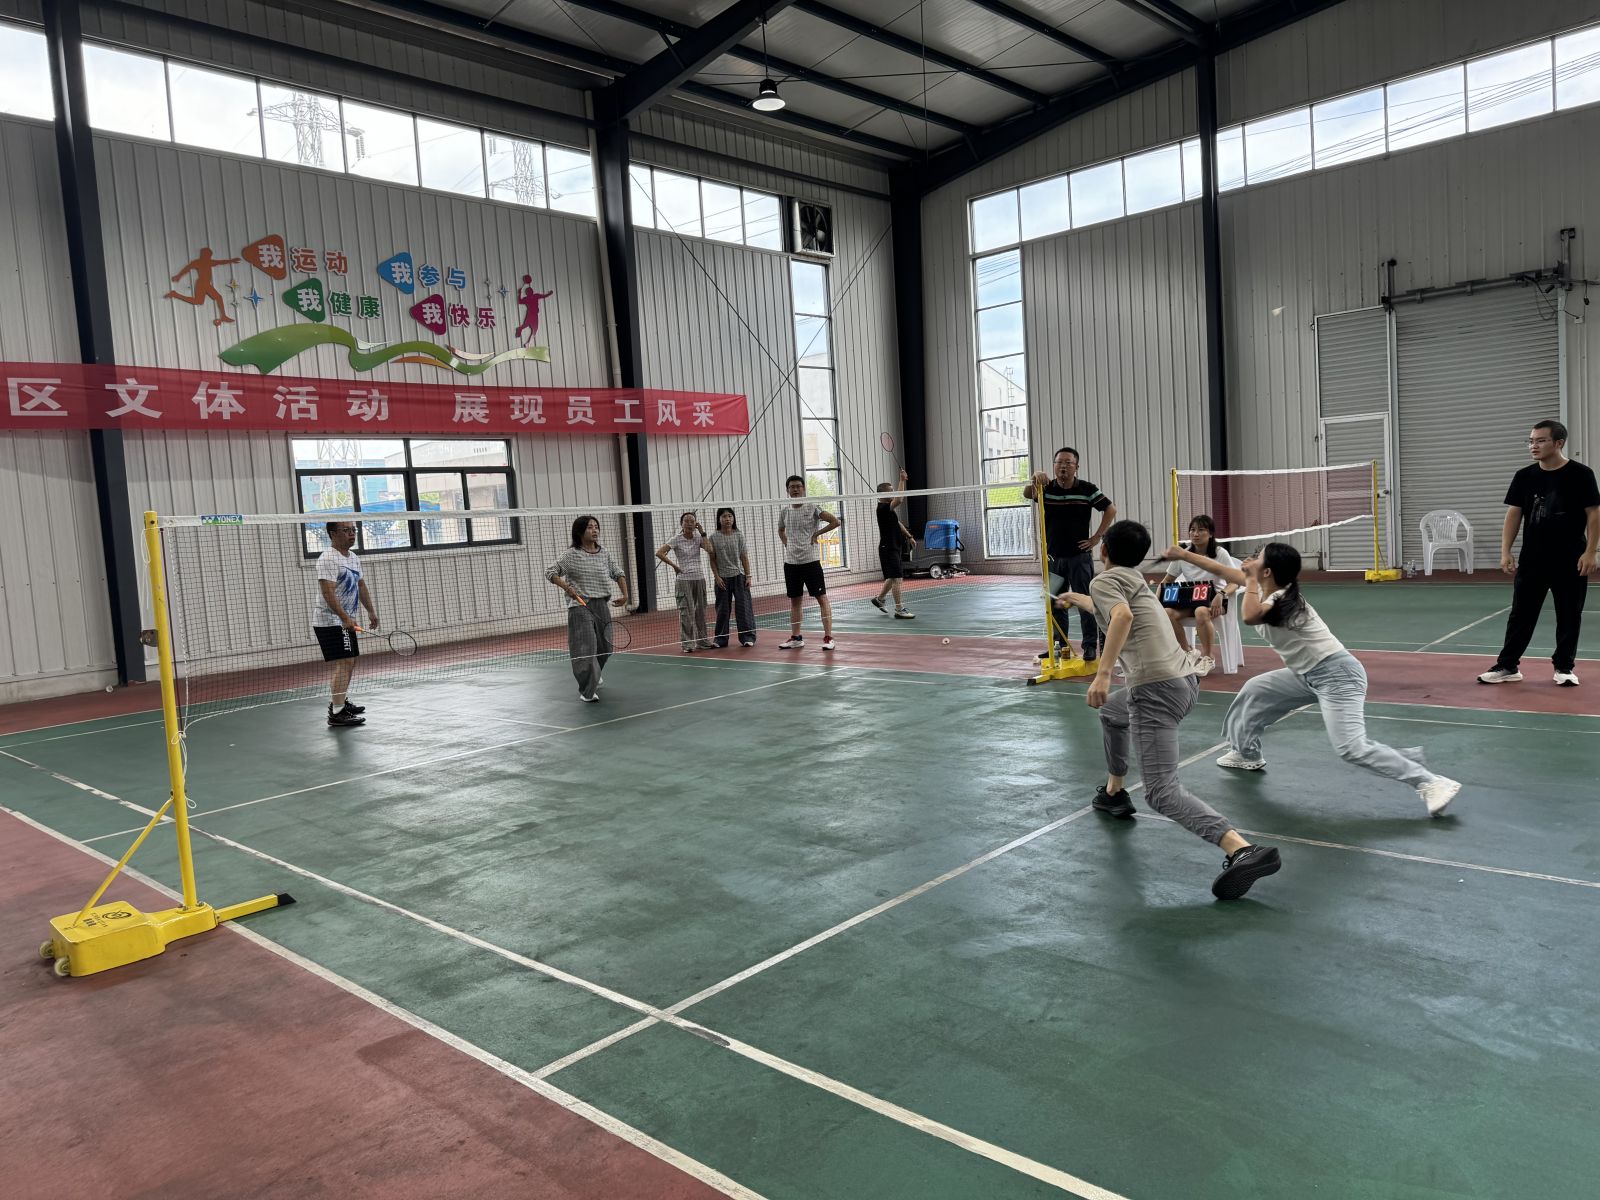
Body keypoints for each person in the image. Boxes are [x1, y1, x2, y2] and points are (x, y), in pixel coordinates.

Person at [1055, 520, 1280, 900]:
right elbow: (1112, 608)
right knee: (1112, 714)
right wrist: (1076, 598)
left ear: (1103, 550)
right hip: (1184, 681)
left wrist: (1103, 675)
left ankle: (1242, 849)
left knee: (1160, 792)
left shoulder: (1105, 581)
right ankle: (1114, 793)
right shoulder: (1133, 580)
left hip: (1155, 690)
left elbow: (1121, 617)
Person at [1162, 540, 1462, 816]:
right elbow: (1219, 569)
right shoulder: (1266, 587)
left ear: (1267, 572)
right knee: (1255, 689)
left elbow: (1250, 616)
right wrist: (1183, 555)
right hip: (1305, 673)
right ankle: (1246, 753)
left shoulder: (1282, 599)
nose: (1250, 559)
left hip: (1338, 675)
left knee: (1351, 747)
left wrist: (1250, 581)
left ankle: (1430, 782)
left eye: (1258, 557)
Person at [1477, 419, 1600, 687]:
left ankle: (1564, 668)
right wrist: (1505, 551)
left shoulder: (1581, 474)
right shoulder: (1524, 476)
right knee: (1521, 614)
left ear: (1559, 443)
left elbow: (1594, 514)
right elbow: (1514, 513)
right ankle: (1508, 665)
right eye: (1531, 441)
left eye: (1541, 440)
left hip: (1571, 558)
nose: (1534, 446)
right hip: (1533, 559)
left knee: (1569, 614)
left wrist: (1591, 552)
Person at [1024, 448, 1116, 661]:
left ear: (1077, 467)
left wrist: (1096, 538)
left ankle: (1090, 646)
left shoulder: (1087, 489)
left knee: (1085, 602)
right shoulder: (1045, 487)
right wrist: (1034, 476)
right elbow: (1028, 494)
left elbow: (1110, 509)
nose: (1063, 466)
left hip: (1079, 558)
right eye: (1059, 462)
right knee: (1055, 602)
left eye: (1068, 462)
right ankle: (1059, 645)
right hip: (1053, 558)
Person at [548, 515, 629, 702]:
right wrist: (566, 587)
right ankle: (587, 690)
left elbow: (618, 573)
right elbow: (550, 572)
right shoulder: (571, 555)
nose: (595, 530)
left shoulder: (604, 553)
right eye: (590, 527)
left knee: (605, 648)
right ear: (580, 531)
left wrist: (625, 595)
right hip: (580, 605)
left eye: (596, 527)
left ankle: (594, 674)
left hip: (601, 604)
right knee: (586, 648)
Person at [311, 520, 379, 728]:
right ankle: (337, 712)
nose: (352, 534)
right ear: (333, 534)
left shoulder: (353, 557)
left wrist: (371, 611)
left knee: (351, 661)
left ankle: (340, 702)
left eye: (353, 530)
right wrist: (344, 617)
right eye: (346, 530)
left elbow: (361, 585)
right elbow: (327, 592)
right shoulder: (328, 559)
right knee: (345, 662)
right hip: (330, 621)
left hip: (345, 620)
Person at [1158, 514, 1239, 663]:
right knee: (1167, 613)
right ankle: (1187, 651)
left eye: (1201, 530)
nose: (1195, 534)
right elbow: (1167, 580)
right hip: (1190, 600)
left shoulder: (1220, 554)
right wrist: (1157, 600)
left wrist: (1221, 594)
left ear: (1210, 533)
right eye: (1192, 530)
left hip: (1215, 601)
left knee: (1201, 611)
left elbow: (1234, 582)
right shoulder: (1183, 555)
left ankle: (1208, 657)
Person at [777, 475, 841, 651]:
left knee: (822, 598)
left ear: (804, 489)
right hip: (791, 563)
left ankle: (828, 637)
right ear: (788, 490)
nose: (795, 489)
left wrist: (816, 534)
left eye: (798, 486)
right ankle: (796, 638)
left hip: (810, 562)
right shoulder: (785, 511)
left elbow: (835, 521)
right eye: (792, 487)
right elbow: (780, 530)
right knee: (795, 601)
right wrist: (787, 544)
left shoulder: (812, 507)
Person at [657, 511, 716, 653]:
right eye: (686, 521)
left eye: (692, 521)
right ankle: (687, 644)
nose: (689, 523)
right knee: (686, 613)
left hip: (699, 578)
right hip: (683, 580)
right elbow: (659, 553)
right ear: (681, 524)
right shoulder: (676, 539)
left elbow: (710, 549)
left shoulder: (698, 537)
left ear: (696, 524)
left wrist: (703, 533)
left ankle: (702, 641)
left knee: (700, 611)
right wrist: (674, 566)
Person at [870, 469, 917, 620]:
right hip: (888, 548)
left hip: (894, 547)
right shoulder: (883, 508)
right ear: (882, 494)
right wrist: (902, 480)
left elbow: (897, 523)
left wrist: (909, 536)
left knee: (892, 577)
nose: (893, 493)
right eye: (890, 491)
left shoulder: (889, 509)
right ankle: (899, 609)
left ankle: (879, 599)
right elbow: (900, 500)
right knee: (897, 578)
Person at [709, 507, 757, 648]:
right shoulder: (713, 537)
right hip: (722, 579)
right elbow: (712, 559)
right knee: (722, 611)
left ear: (733, 519)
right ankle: (720, 640)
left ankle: (748, 637)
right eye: (724, 516)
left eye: (730, 516)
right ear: (719, 519)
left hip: (739, 576)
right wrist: (717, 577)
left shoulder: (739, 535)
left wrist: (748, 576)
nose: (727, 519)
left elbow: (744, 557)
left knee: (743, 609)